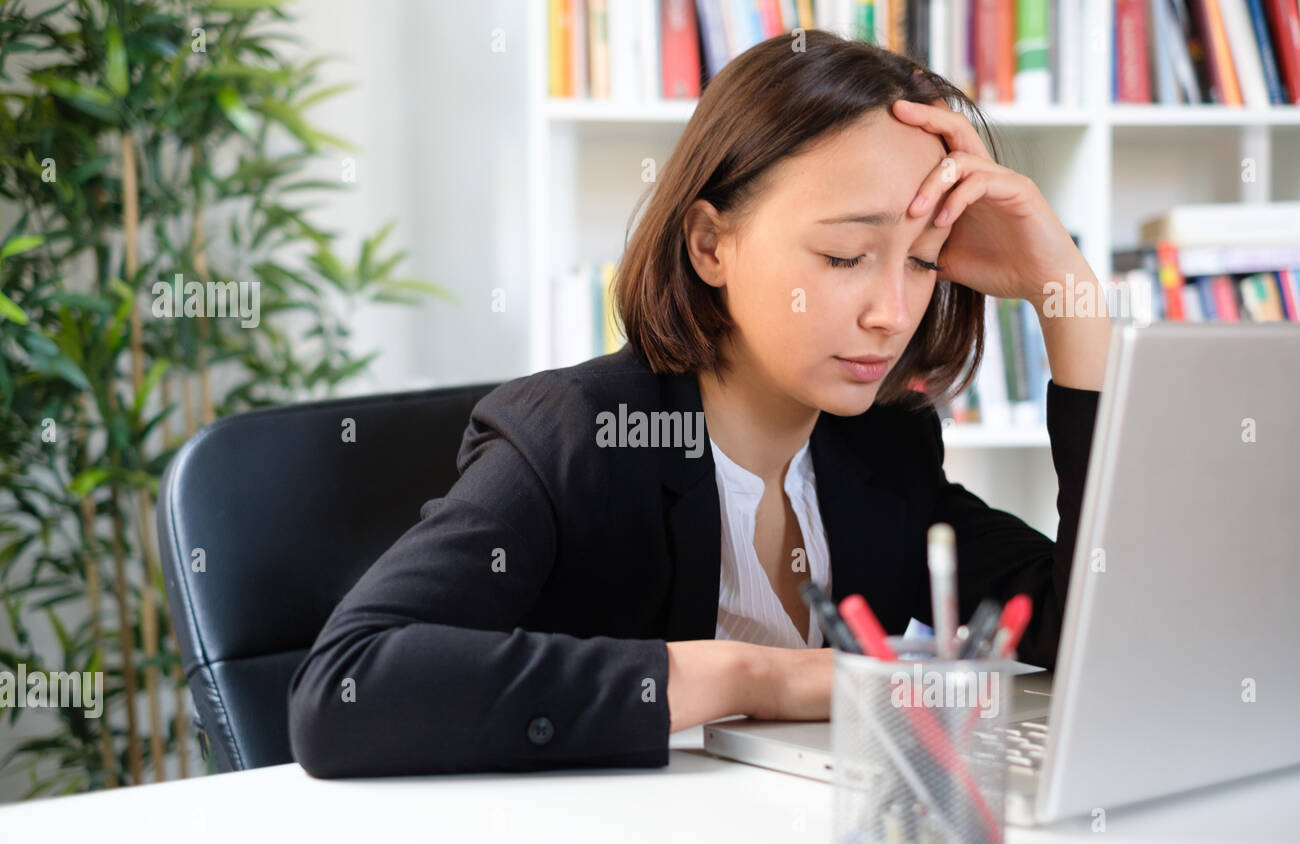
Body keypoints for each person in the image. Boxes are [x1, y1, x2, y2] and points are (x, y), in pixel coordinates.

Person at [288, 31, 1109, 778]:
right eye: (846, 254)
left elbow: (1097, 624)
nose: (892, 312)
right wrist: (749, 675)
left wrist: (1065, 293)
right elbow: (343, 689)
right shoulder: (580, 435)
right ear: (711, 243)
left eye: (925, 262)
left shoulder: (883, 451)